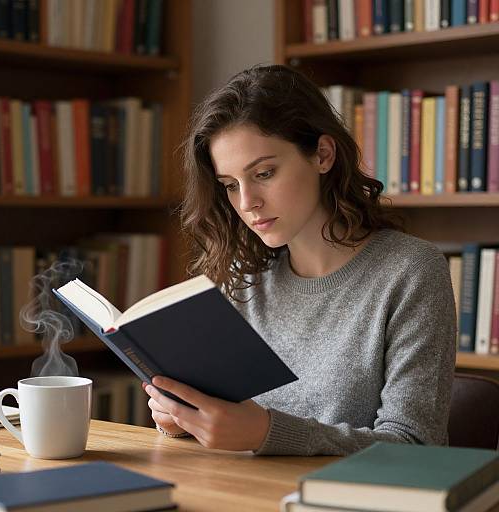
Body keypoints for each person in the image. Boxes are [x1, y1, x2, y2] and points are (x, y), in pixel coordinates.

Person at [143, 64, 457, 456]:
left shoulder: (410, 272)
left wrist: (268, 434)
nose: (247, 202)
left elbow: (417, 448)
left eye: (265, 172)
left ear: (323, 155)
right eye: (229, 186)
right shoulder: (244, 280)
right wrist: (184, 419)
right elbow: (228, 427)